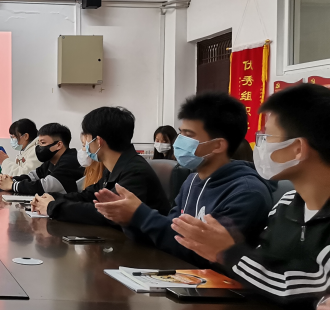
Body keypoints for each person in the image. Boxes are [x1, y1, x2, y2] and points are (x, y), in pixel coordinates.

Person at [172, 84, 330, 308]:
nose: (261, 145)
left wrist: (229, 253)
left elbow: (312, 291)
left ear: (297, 148)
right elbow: (265, 267)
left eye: (268, 136)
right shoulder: (286, 204)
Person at [93, 93, 274, 267]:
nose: (178, 142)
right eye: (180, 133)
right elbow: (171, 235)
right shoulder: (192, 180)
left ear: (218, 145)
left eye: (189, 135)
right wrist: (127, 219)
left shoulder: (247, 193)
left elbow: (203, 254)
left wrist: (139, 214)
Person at [31, 107, 170, 226]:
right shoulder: (115, 166)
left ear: (98, 141)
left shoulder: (135, 171)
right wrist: (52, 198)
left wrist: (53, 207)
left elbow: (107, 214)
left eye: (86, 138)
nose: (85, 144)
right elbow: (89, 196)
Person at [0, 123, 83, 195]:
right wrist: (9, 179)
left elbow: (45, 186)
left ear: (58, 145)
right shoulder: (51, 161)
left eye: (43, 143)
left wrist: (12, 185)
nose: (39, 147)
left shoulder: (71, 160)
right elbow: (32, 176)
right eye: (39, 143)